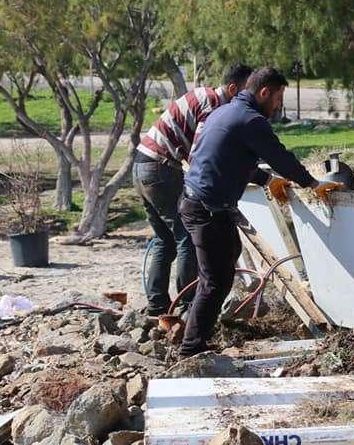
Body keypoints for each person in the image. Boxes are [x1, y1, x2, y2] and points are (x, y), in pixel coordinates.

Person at [179, 66, 341, 357]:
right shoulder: (251, 120)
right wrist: (312, 183)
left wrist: (267, 180)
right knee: (216, 280)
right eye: (278, 98)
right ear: (264, 92)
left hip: (202, 204)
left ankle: (195, 339)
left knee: (223, 266)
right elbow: (280, 157)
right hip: (206, 209)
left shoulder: (224, 112)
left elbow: (231, 159)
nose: (279, 106)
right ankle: (190, 349)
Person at [133, 62, 253, 317]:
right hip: (161, 168)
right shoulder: (214, 106)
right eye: (244, 93)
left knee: (163, 239)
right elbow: (201, 151)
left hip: (143, 164)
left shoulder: (202, 95)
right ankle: (188, 305)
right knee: (187, 236)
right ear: (232, 88)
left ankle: (157, 305)